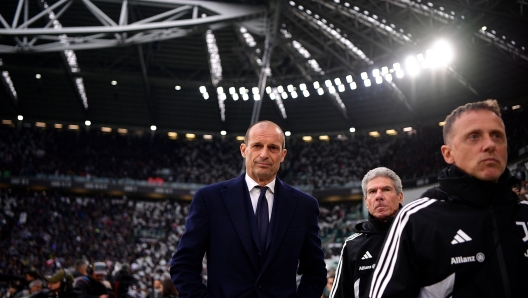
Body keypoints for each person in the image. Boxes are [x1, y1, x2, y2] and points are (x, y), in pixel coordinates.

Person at [369, 99, 528, 298]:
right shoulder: (415, 220)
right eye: (474, 136)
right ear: (448, 154)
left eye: (497, 135)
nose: (489, 144)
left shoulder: (524, 212)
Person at [170, 120, 327, 297]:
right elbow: (183, 265)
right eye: (257, 146)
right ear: (244, 150)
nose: (264, 154)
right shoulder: (209, 199)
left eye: (273, 148)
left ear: (283, 155)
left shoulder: (304, 206)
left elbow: (315, 271)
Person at [330, 167, 403, 298]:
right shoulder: (352, 245)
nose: (379, 196)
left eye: (386, 190)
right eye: (372, 191)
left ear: (400, 196)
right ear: (366, 202)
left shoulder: (418, 236)